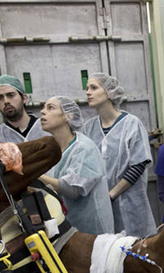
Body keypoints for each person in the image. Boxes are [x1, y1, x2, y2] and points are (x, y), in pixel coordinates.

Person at [82, 73, 157, 238]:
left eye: (93, 88)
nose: (88, 92)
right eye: (87, 88)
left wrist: (111, 195)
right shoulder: (89, 128)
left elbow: (138, 164)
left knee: (133, 247)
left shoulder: (131, 124)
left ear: (110, 92)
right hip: (100, 206)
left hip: (130, 204)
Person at [38, 96, 113, 235]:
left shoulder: (83, 148)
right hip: (65, 228)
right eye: (43, 108)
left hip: (90, 231)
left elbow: (72, 189)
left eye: (50, 108)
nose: (42, 111)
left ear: (68, 116)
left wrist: (35, 175)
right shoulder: (50, 150)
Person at [0, 74, 48, 143]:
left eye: (11, 95)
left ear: (24, 98)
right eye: (0, 98)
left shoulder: (47, 128)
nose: (6, 101)